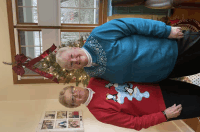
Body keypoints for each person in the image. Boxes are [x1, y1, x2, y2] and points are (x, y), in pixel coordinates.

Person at [56, 18, 200, 84]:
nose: (75, 60)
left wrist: (166, 30)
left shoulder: (98, 35)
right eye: (71, 64)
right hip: (167, 72)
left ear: (74, 48)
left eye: (72, 56)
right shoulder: (92, 73)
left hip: (170, 47)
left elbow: (132, 24)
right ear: (72, 69)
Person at [58, 77, 200, 131]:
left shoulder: (95, 79)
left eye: (72, 90)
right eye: (73, 99)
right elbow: (135, 123)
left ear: (74, 86)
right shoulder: (100, 114)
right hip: (166, 106)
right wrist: (164, 115)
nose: (76, 94)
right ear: (75, 105)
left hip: (162, 85)